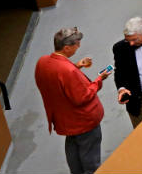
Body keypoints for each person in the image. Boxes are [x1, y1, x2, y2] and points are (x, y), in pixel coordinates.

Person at [35, 27, 111, 174]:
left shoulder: (42, 62)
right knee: (91, 160)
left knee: (73, 154)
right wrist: (99, 80)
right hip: (84, 121)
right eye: (77, 44)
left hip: (66, 121)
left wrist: (76, 66)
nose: (79, 46)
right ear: (67, 47)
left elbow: (56, 77)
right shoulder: (67, 71)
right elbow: (82, 97)